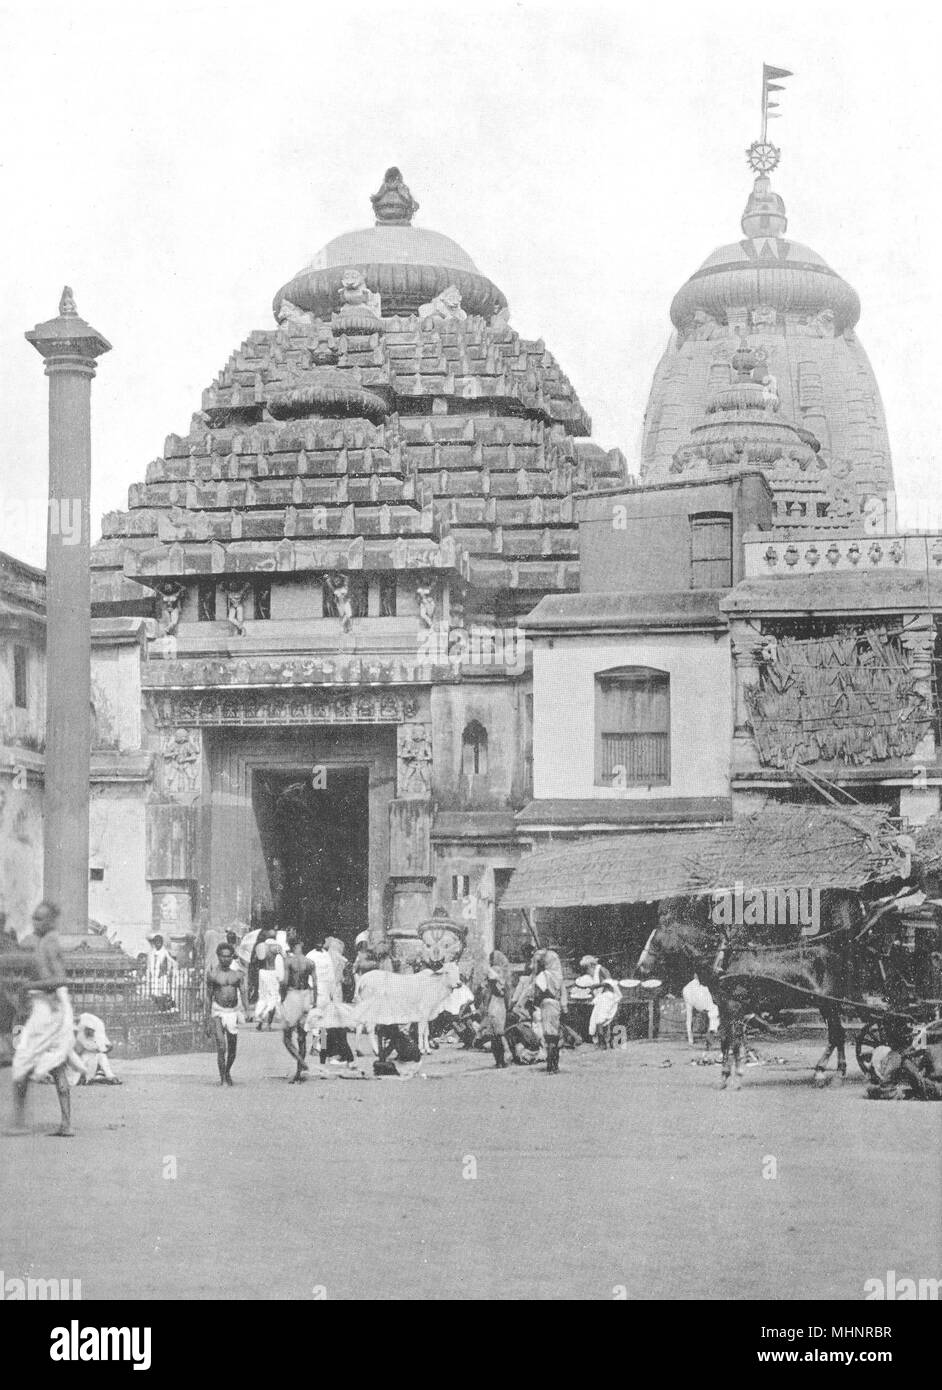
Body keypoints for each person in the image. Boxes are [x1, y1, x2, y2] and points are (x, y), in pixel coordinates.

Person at [6, 901, 81, 1136]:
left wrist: (31, 985)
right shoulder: (35, 942)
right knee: (45, 1063)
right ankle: (61, 1123)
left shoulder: (50, 944)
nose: (35, 922)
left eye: (40, 919)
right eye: (34, 917)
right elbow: (18, 962)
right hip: (44, 1008)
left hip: (51, 1010)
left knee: (27, 1062)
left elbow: (61, 979)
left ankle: (25, 1122)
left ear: (50, 921)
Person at [204, 942, 244, 1086]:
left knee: (232, 1050)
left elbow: (243, 993)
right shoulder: (213, 974)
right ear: (218, 956)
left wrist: (245, 1009)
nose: (225, 959)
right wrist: (207, 1018)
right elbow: (208, 996)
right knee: (222, 1046)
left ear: (232, 957)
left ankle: (227, 1072)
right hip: (218, 1011)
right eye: (223, 956)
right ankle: (222, 1079)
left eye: (228, 956)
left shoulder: (237, 975)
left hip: (232, 1012)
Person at [280, 931, 313, 1083]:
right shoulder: (310, 962)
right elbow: (316, 984)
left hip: (293, 995)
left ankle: (301, 1061)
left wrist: (282, 997)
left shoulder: (288, 961)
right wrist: (316, 1002)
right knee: (302, 1036)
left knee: (287, 1037)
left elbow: (285, 982)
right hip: (306, 994)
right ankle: (299, 1072)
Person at [533, 949, 567, 1075]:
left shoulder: (544, 975)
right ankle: (555, 1065)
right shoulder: (559, 976)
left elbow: (538, 992)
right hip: (557, 1005)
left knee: (549, 1037)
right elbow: (564, 995)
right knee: (555, 1035)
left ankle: (550, 1065)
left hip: (547, 1004)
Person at [479, 949, 513, 1069]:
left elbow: (489, 990)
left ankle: (498, 1060)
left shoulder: (492, 971)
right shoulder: (504, 973)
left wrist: (485, 1006)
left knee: (494, 1035)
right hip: (502, 1004)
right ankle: (502, 1060)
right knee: (499, 1032)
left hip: (494, 1002)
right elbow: (507, 991)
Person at [580, 955, 622, 1049]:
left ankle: (603, 1043)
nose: (587, 971)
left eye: (586, 968)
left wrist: (595, 986)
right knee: (597, 1020)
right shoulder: (596, 972)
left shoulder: (601, 969)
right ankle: (603, 1042)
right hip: (603, 997)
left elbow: (609, 982)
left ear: (591, 965)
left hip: (608, 996)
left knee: (600, 1020)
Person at [254, 928, 283, 1030]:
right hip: (272, 972)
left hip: (262, 972)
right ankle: (267, 1021)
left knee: (262, 997)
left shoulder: (260, 946)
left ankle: (260, 1017)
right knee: (273, 997)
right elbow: (284, 958)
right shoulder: (277, 947)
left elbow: (256, 960)